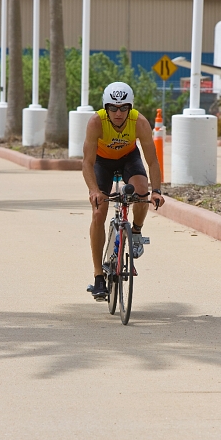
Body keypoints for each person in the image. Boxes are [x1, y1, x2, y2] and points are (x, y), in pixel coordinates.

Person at [82, 81, 165, 299]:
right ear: (105, 108)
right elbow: (87, 162)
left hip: (129, 158)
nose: (118, 113)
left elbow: (153, 162)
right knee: (99, 211)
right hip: (102, 163)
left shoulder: (140, 123)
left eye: (123, 108)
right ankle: (99, 276)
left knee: (140, 192)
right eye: (113, 108)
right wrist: (94, 191)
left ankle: (136, 231)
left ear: (130, 108)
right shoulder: (96, 122)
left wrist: (156, 190)